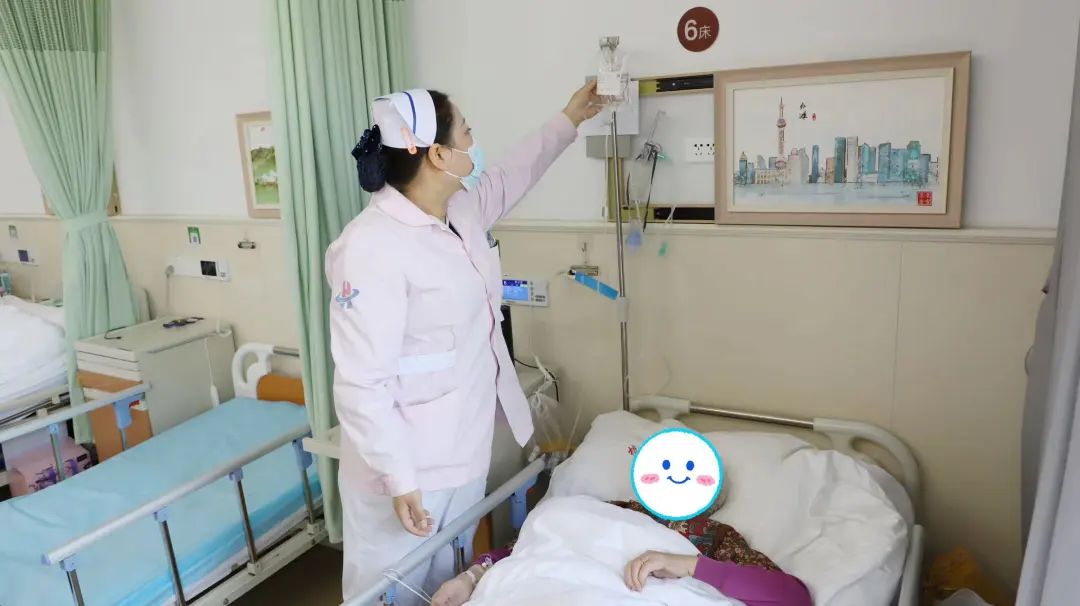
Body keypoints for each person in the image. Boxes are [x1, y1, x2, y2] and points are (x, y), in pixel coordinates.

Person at [326, 83, 602, 605]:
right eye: (467, 133)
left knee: (446, 586)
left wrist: (570, 117)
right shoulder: (369, 247)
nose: (475, 144)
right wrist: (399, 477)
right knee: (389, 592)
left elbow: (514, 173)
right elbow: (362, 382)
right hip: (404, 469)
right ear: (437, 154)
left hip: (462, 447)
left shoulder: (460, 211)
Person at [431, 498, 813, 606]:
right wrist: (472, 577)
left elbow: (793, 597)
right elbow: (525, 550)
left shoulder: (710, 536)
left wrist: (687, 564)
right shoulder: (591, 507)